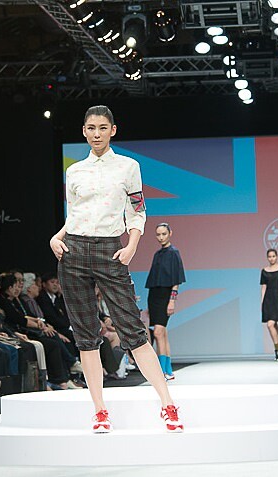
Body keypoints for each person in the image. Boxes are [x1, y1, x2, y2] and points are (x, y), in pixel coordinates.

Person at [50, 105, 182, 433]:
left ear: (113, 130)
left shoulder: (128, 167)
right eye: (91, 128)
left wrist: (132, 245)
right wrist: (57, 236)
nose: (96, 134)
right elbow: (74, 213)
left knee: (133, 331)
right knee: (86, 336)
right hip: (73, 252)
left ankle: (167, 404)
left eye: (102, 128)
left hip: (111, 250)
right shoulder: (74, 171)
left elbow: (137, 210)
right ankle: (100, 411)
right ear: (84, 131)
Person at [145, 222, 185, 381]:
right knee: (162, 333)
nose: (161, 237)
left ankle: (161, 371)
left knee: (158, 332)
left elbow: (176, 280)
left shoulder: (174, 253)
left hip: (165, 296)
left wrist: (172, 301)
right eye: (158, 234)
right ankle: (168, 370)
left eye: (164, 234)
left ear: (170, 234)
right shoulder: (157, 254)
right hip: (154, 296)